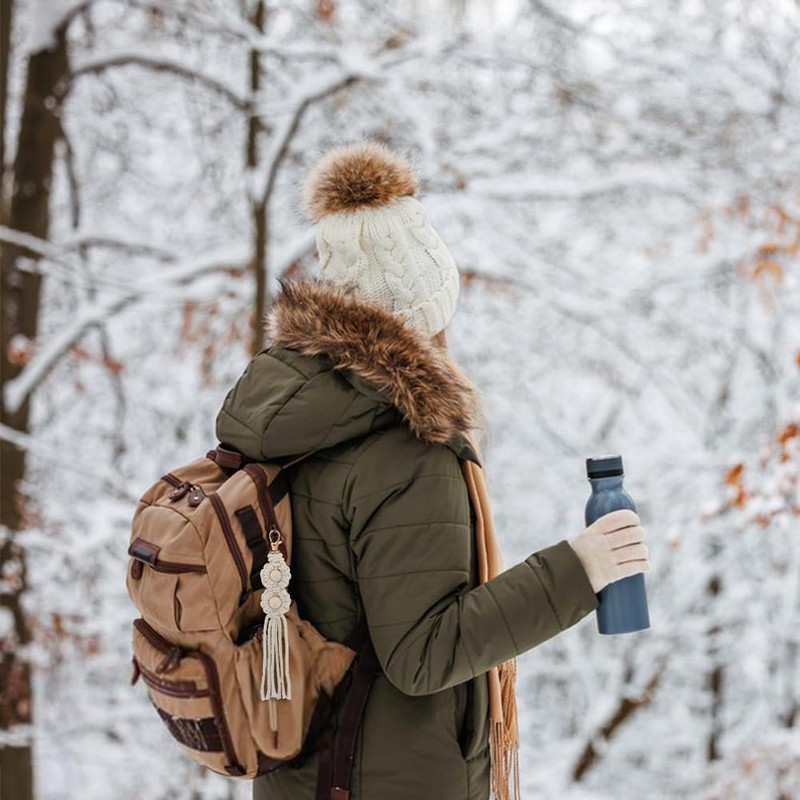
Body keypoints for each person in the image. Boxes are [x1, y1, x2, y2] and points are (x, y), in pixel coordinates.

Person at [215, 140, 651, 800]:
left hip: (305, 771)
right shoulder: (408, 450)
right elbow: (421, 655)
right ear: (424, 313)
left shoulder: (298, 417)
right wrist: (579, 569)